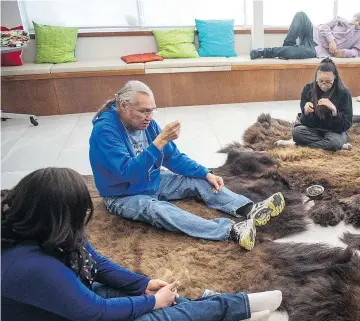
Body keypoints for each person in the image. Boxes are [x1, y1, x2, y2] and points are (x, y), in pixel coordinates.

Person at [1, 167, 284, 321]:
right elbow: (95, 311)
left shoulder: (49, 230)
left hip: (66, 310)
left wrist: (141, 284)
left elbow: (97, 263)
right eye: (79, 214)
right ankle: (235, 307)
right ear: (58, 216)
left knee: (133, 295)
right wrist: (150, 302)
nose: (84, 221)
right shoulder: (28, 266)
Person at [89, 80, 285, 251]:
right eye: (144, 111)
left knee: (199, 180)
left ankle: (249, 209)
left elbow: (173, 158)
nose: (149, 117)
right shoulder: (105, 131)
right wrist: (159, 143)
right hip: (123, 194)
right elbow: (127, 173)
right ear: (123, 105)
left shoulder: (148, 124)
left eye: (151, 111)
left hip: (151, 180)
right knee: (158, 210)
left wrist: (204, 173)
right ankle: (231, 230)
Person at [275, 58, 353, 151]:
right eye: (320, 81)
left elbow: (346, 124)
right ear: (316, 78)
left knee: (333, 142)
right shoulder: (308, 89)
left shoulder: (344, 92)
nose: (324, 84)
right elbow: (304, 122)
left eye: (328, 81)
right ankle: (337, 146)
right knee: (296, 132)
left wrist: (334, 111)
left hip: (334, 131)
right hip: (314, 129)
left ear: (335, 78)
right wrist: (306, 112)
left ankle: (297, 145)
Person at [250, 11, 360, 60]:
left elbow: (357, 51)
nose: (357, 24)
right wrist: (331, 40)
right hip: (313, 32)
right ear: (354, 17)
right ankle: (288, 45)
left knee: (296, 53)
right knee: (301, 15)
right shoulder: (340, 20)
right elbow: (323, 26)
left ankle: (263, 52)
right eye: (356, 20)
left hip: (318, 50)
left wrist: (344, 52)